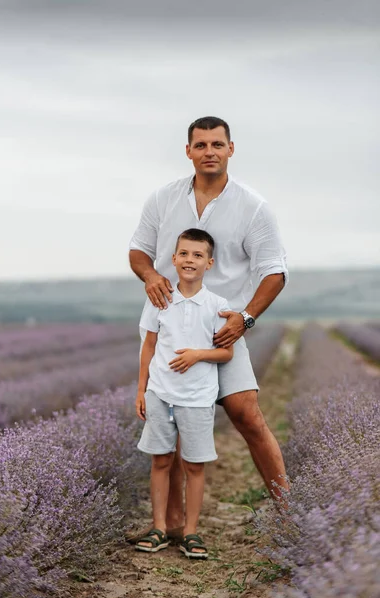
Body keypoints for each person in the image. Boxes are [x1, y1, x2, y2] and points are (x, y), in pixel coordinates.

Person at [129, 116, 289, 543]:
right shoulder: (163, 199)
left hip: (223, 333)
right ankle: (172, 527)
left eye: (217, 144)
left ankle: (290, 512)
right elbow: (138, 252)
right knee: (176, 426)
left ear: (231, 149)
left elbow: (274, 272)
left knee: (248, 416)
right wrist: (149, 276)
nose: (209, 152)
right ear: (189, 151)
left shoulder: (252, 205)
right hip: (173, 330)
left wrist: (246, 318)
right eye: (200, 145)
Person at [135, 228, 233, 558]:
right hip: (161, 394)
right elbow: (148, 347)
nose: (190, 260)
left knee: (194, 466)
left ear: (209, 263)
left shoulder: (217, 306)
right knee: (161, 461)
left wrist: (197, 354)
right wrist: (142, 390)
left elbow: (226, 353)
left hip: (197, 398)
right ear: (174, 259)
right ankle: (160, 527)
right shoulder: (159, 299)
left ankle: (191, 532)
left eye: (198, 255)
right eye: (184, 254)